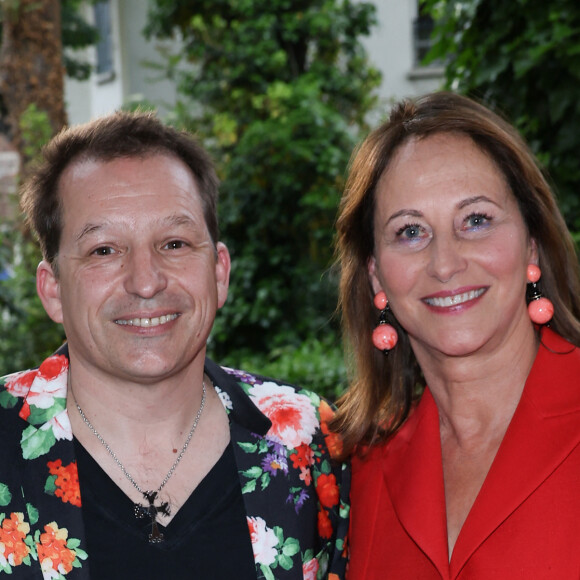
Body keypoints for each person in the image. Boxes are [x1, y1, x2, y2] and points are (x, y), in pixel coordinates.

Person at [0, 111, 349, 579]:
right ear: (53, 289)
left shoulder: (308, 440)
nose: (145, 282)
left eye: (175, 243)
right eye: (104, 250)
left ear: (220, 273)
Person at [332, 91, 580, 578]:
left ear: (531, 243)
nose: (446, 264)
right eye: (410, 231)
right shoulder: (354, 469)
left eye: (476, 220)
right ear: (376, 275)